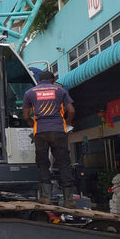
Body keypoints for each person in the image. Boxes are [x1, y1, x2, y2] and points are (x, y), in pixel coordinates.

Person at [23, 71, 76, 208]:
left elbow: (26, 115)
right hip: (58, 131)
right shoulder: (60, 91)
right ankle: (69, 200)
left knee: (43, 163)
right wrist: (67, 123)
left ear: (39, 80)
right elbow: (71, 111)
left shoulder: (29, 93)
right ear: (52, 79)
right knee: (64, 163)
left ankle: (46, 197)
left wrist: (33, 124)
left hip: (40, 132)